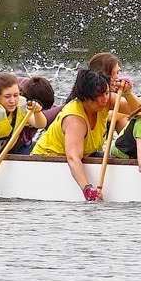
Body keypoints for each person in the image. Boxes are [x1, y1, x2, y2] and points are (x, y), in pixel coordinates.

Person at [32, 68, 127, 201]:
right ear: (85, 98)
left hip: (84, 155)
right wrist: (87, 189)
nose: (104, 100)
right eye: (98, 96)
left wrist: (128, 93)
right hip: (49, 160)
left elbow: (138, 108)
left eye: (106, 93)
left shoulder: (107, 100)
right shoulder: (74, 119)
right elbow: (73, 158)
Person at [13, 76, 57, 154]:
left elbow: (40, 124)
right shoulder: (18, 102)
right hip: (13, 143)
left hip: (25, 143)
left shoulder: (33, 87)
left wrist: (38, 112)